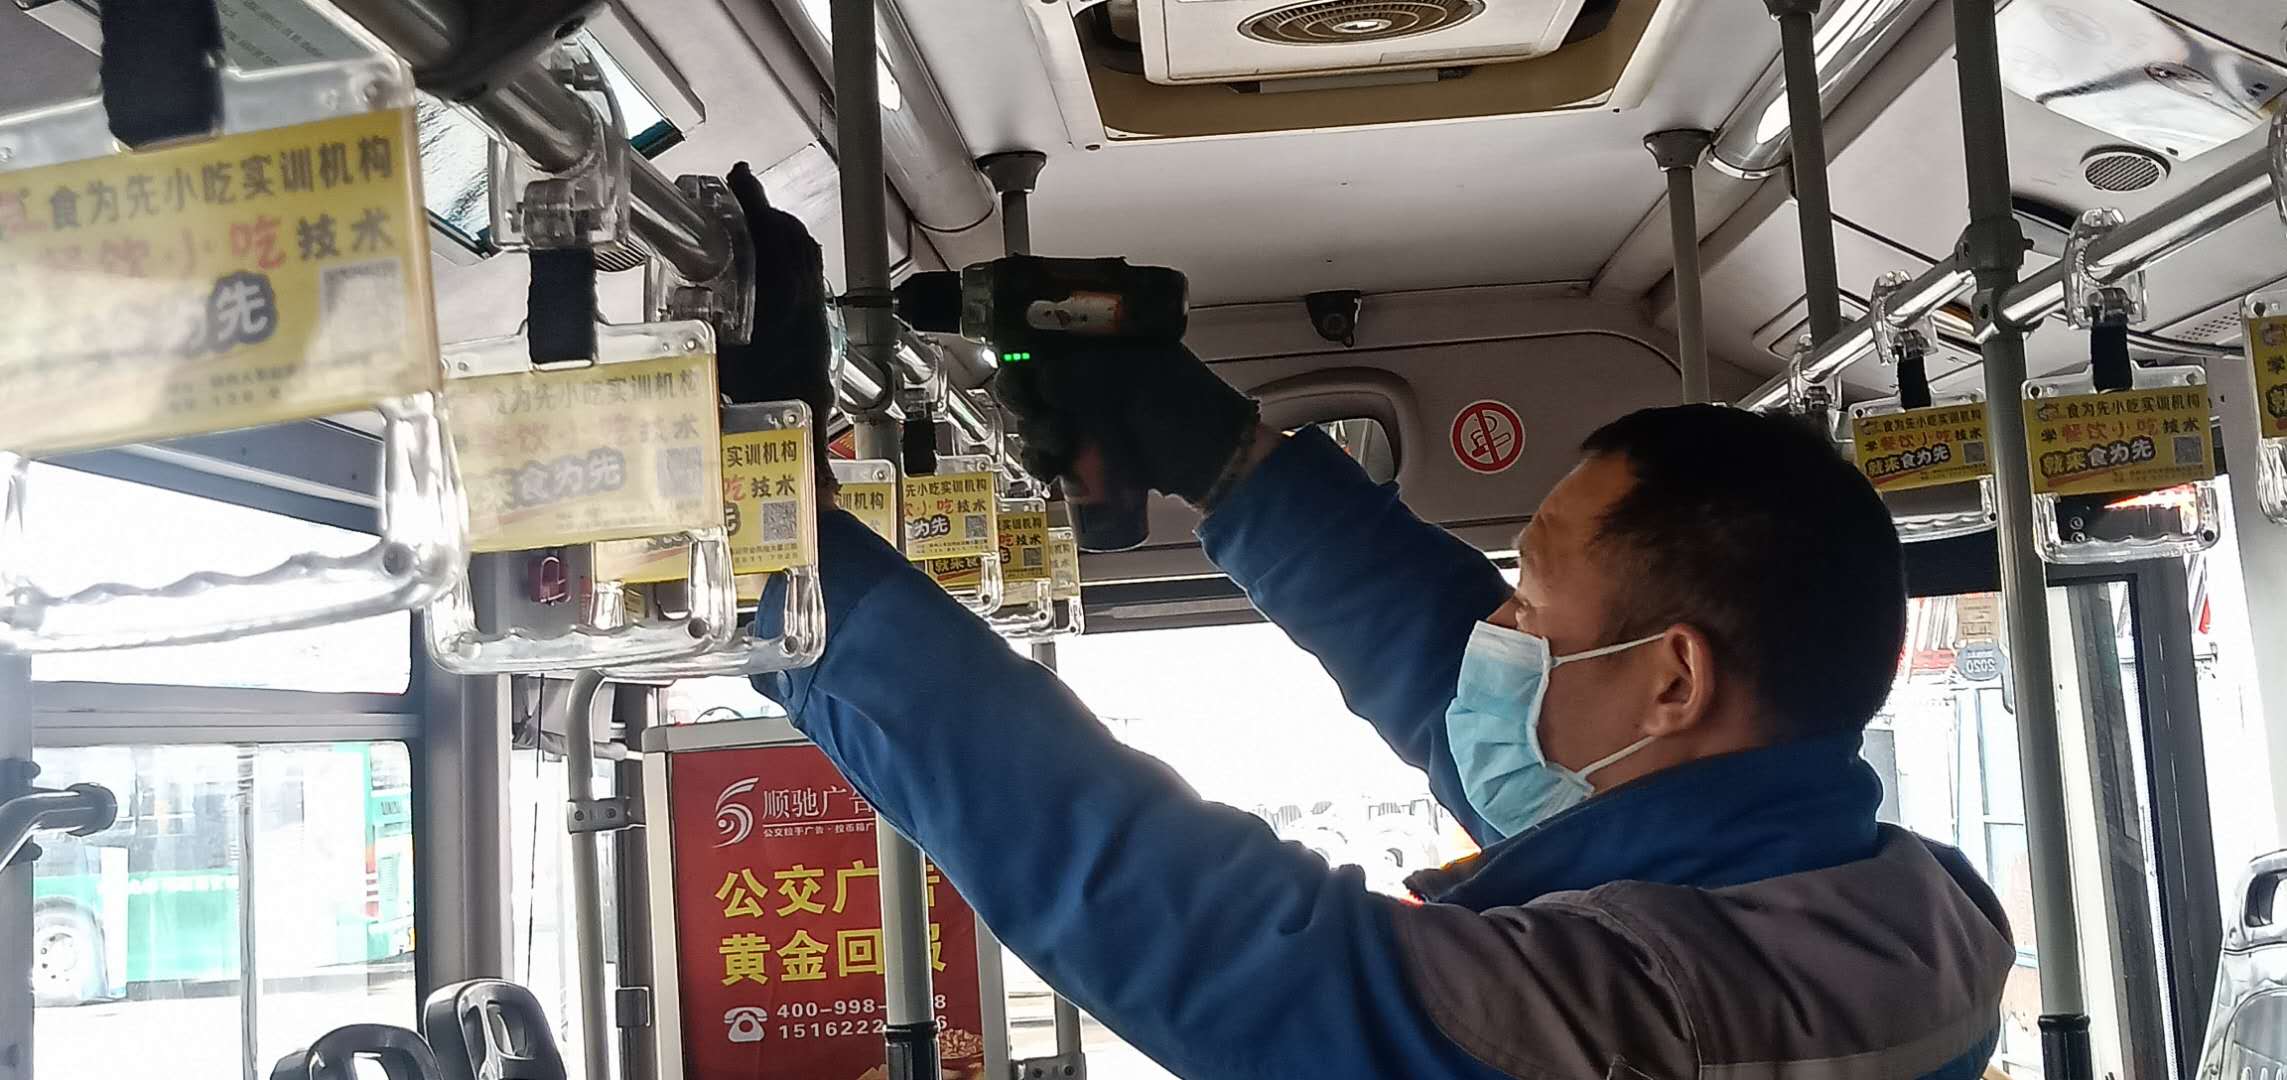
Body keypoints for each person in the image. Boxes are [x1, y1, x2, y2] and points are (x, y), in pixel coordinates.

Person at [733, 208, 2011, 1080]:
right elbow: (1429, 651)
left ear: (1673, 680)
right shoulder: (1891, 903)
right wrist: (1216, 455)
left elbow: (1172, 916)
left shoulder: (1660, 1022)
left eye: (1528, 609)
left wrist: (789, 546)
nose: (1496, 637)